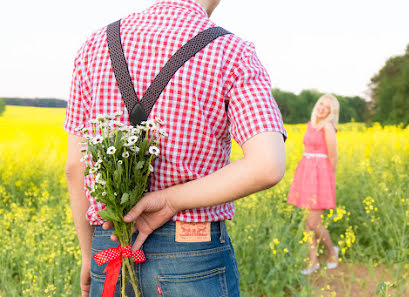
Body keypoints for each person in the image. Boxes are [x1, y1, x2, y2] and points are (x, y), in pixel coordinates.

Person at [64, 0, 287, 296]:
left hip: (109, 246)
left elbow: (75, 167)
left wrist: (86, 254)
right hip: (191, 250)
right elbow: (267, 165)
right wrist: (169, 201)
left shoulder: (95, 45)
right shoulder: (232, 51)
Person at [287, 94, 339, 275]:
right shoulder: (310, 125)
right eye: (321, 104)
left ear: (331, 113)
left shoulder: (328, 128)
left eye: (328, 107)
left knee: (314, 222)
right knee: (308, 224)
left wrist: (327, 182)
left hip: (321, 177)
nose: (322, 108)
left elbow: (333, 157)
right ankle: (313, 261)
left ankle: (332, 252)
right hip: (306, 173)